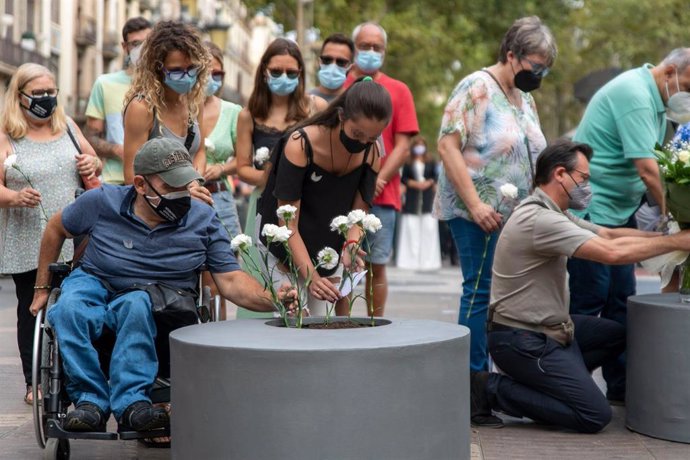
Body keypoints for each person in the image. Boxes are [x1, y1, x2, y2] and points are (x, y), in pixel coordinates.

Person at [28, 138, 295, 433]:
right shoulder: (102, 201)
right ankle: (90, 401)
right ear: (141, 185)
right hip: (95, 279)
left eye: (185, 185)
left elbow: (231, 281)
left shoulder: (202, 217)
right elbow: (56, 228)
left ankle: (133, 403)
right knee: (67, 309)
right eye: (171, 187)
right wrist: (42, 289)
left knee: (136, 304)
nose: (181, 194)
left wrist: (274, 298)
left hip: (156, 293)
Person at [473, 139, 690, 432]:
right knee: (594, 415)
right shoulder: (540, 219)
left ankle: (557, 381)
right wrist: (678, 243)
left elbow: (609, 237)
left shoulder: (554, 212)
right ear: (560, 174)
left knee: (616, 334)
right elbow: (611, 254)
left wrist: (672, 236)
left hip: (550, 329)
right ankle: (492, 388)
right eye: (583, 179)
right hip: (521, 340)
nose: (586, 187)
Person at [567, 47, 690, 403]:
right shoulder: (635, 94)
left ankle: (619, 385)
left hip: (619, 212)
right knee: (591, 299)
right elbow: (647, 168)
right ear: (669, 73)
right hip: (595, 211)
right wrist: (676, 218)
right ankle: (573, 381)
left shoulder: (656, 103)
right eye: (688, 84)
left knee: (622, 301)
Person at [434, 16, 556, 372]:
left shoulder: (524, 97)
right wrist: (475, 205)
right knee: (479, 290)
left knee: (504, 298)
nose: (539, 75)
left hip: (514, 215)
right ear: (511, 54)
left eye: (545, 70)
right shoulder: (476, 87)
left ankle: (502, 375)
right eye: (536, 66)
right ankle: (473, 383)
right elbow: (447, 146)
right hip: (476, 213)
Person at [0, 63, 101, 405]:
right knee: (33, 306)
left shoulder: (68, 125)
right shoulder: (6, 133)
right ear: (19, 96)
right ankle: (34, 383)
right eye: (38, 93)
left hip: (75, 233)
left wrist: (92, 164)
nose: (46, 99)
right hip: (28, 234)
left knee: (75, 304)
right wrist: (13, 197)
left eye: (51, 92)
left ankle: (73, 379)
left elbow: (92, 162)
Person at [258, 77, 390, 316]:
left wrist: (351, 244)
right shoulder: (301, 144)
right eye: (357, 134)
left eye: (371, 138)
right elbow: (287, 225)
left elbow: (358, 214)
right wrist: (312, 277)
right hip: (285, 243)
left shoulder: (371, 152)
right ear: (341, 116)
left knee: (325, 326)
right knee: (295, 319)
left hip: (327, 246)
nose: (362, 143)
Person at [235, 38, 327, 318]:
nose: (283, 78)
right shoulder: (249, 115)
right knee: (265, 277)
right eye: (276, 72)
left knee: (310, 276)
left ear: (301, 73)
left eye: (291, 73)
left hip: (308, 206)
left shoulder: (316, 108)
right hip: (263, 205)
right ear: (264, 71)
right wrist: (269, 175)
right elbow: (241, 168)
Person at [344, 22, 420, 317]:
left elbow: (403, 146)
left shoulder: (399, 91)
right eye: (364, 46)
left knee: (376, 264)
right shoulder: (343, 86)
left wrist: (378, 178)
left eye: (377, 47)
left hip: (383, 195)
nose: (371, 52)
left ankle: (374, 325)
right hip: (343, 194)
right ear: (354, 49)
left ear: (384, 52)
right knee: (344, 262)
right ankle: (342, 323)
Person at [122, 20, 210, 205]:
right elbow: (132, 176)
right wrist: (180, 191)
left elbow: (200, 150)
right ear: (158, 68)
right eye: (176, 70)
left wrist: (194, 182)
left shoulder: (195, 100)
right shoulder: (142, 108)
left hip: (190, 202)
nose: (186, 76)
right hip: (154, 210)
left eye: (192, 69)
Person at [201, 41, 243, 320]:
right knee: (197, 276)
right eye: (208, 73)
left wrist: (222, 170)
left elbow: (244, 159)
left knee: (223, 276)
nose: (213, 80)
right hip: (184, 199)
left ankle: (219, 334)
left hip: (220, 198)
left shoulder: (233, 112)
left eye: (219, 75)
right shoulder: (177, 108)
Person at [85, 17, 152, 185]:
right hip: (115, 181)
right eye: (136, 44)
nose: (142, 50)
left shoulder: (165, 84)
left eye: (147, 43)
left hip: (155, 183)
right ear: (125, 47)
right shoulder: (104, 84)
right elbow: (92, 137)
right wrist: (119, 150)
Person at [396, 136, 441, 271]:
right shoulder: (408, 161)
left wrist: (429, 183)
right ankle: (410, 260)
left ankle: (428, 262)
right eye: (417, 145)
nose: (419, 148)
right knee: (411, 228)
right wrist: (414, 184)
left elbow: (435, 177)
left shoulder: (431, 160)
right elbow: (404, 179)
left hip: (427, 198)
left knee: (429, 229)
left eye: (422, 145)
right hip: (412, 199)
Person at [309, 33, 354, 103]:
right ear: (319, 62)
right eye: (327, 60)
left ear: (350, 67)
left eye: (341, 62)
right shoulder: (303, 101)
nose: (333, 66)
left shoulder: (355, 103)